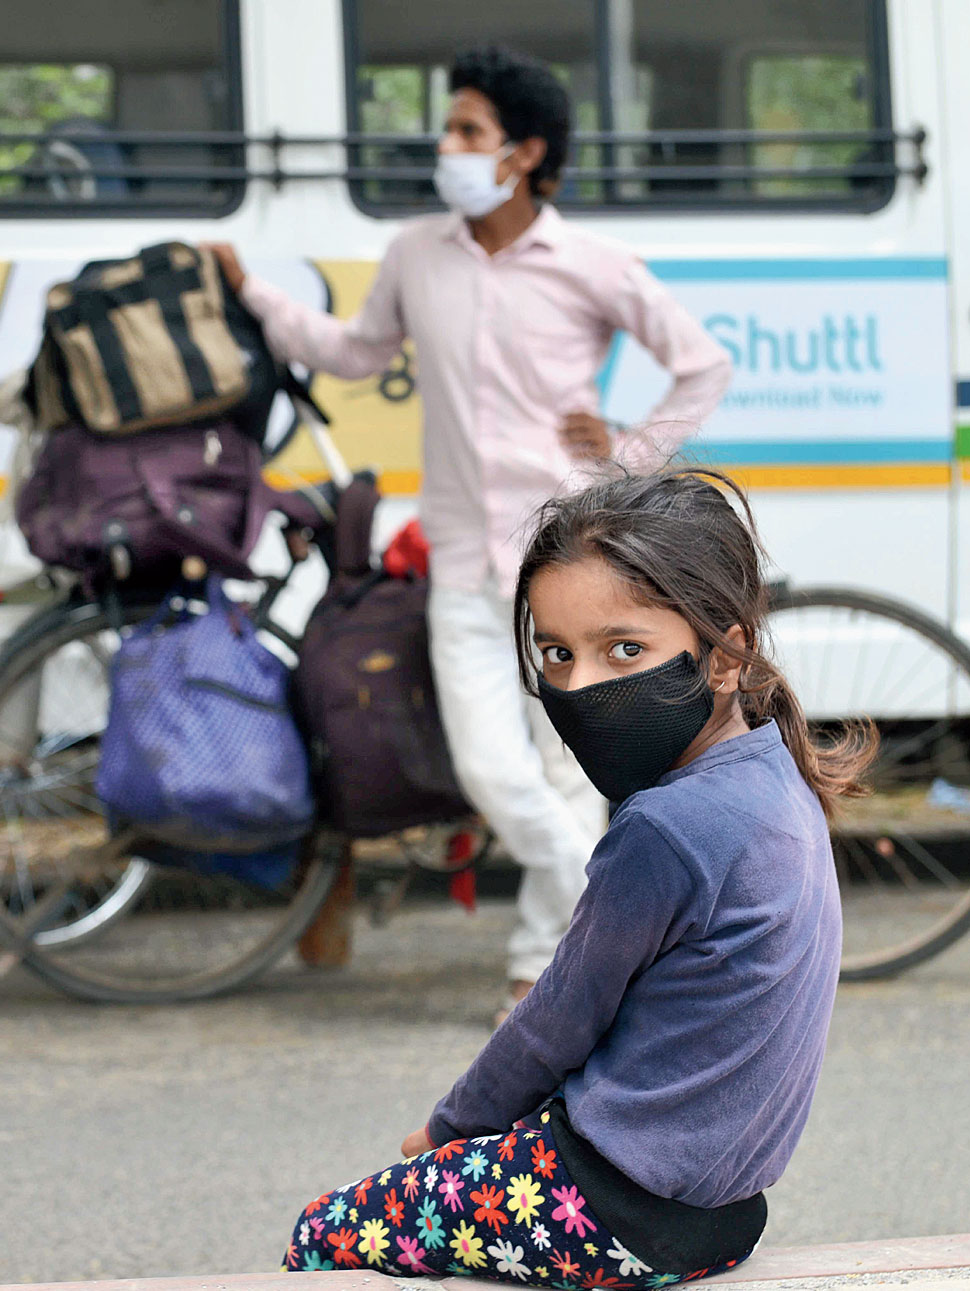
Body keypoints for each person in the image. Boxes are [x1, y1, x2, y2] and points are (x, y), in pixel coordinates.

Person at [205, 46, 732, 1016]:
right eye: (450, 128)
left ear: (523, 153)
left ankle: (542, 972)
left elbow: (702, 363)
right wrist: (256, 296)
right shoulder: (417, 253)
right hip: (458, 552)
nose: (446, 145)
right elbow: (351, 351)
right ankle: (645, 909)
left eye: (467, 131)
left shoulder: (592, 265)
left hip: (573, 554)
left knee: (570, 769)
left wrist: (628, 453)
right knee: (492, 770)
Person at [282, 467, 877, 1284]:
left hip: (608, 1204)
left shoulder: (664, 827)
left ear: (722, 657)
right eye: (557, 654)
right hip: (723, 1214)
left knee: (324, 1231)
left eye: (624, 649)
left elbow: (556, 1018)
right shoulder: (778, 778)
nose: (580, 686)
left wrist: (447, 1130)